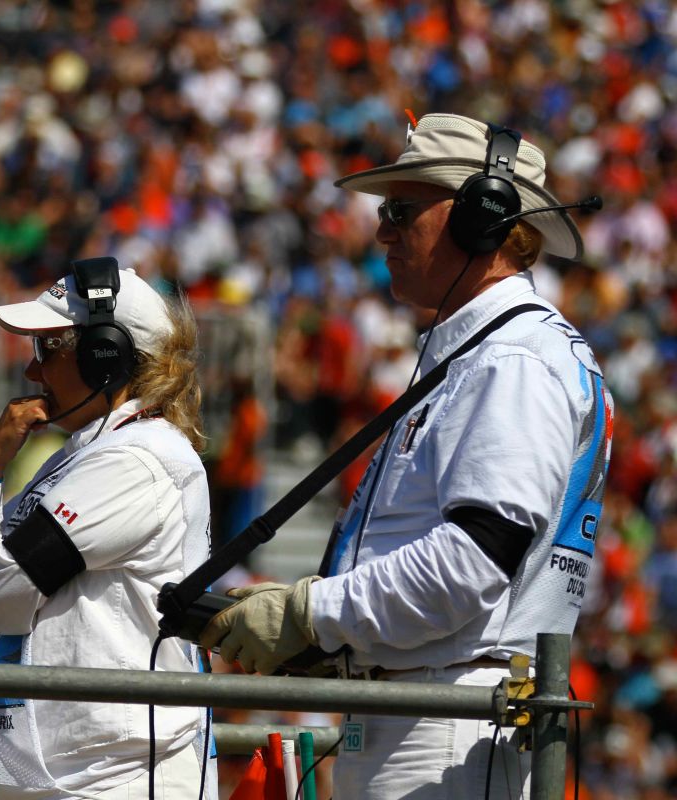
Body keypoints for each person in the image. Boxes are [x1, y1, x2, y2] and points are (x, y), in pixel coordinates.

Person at [201, 113, 615, 798]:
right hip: (429, 710)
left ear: (484, 218)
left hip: (444, 722)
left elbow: (473, 563)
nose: (382, 232)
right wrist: (329, 633)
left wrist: (311, 615)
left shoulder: (512, 360)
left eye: (401, 210)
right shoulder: (500, 349)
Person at [0, 259, 218, 799]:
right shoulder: (84, 455)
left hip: (119, 776)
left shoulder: (137, 461)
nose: (32, 371)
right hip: (73, 769)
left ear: (104, 356)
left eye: (48, 348)